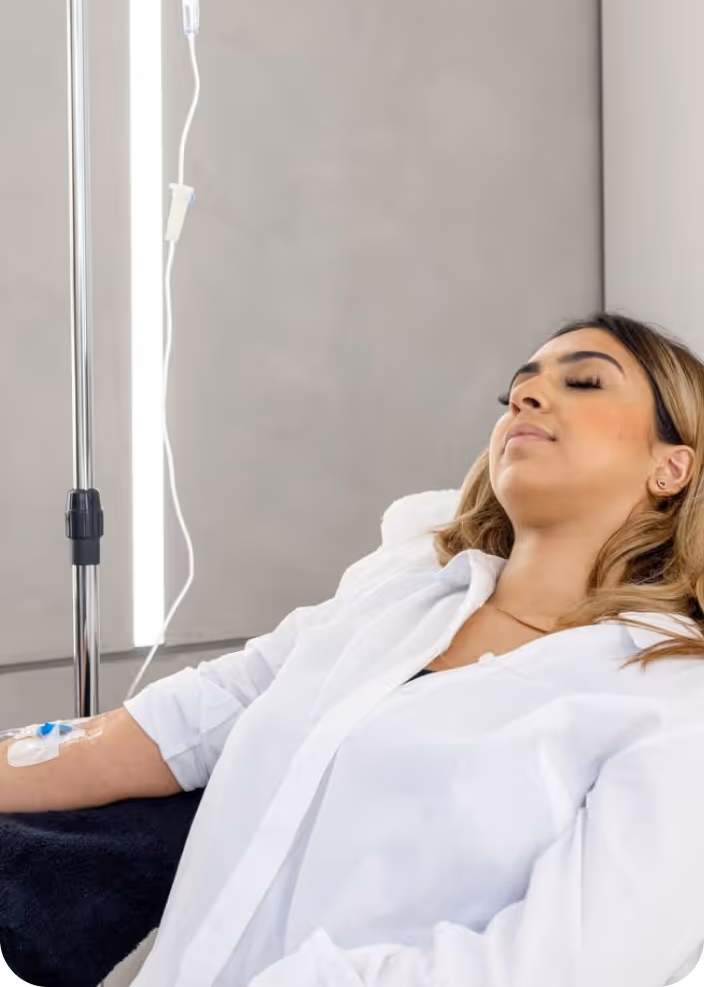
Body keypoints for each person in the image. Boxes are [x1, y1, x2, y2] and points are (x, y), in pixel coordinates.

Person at [3, 310, 704, 987]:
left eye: (583, 382)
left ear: (672, 468)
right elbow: (176, 725)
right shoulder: (396, 597)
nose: (525, 394)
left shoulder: (669, 699)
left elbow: (574, 967)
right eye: (517, 387)